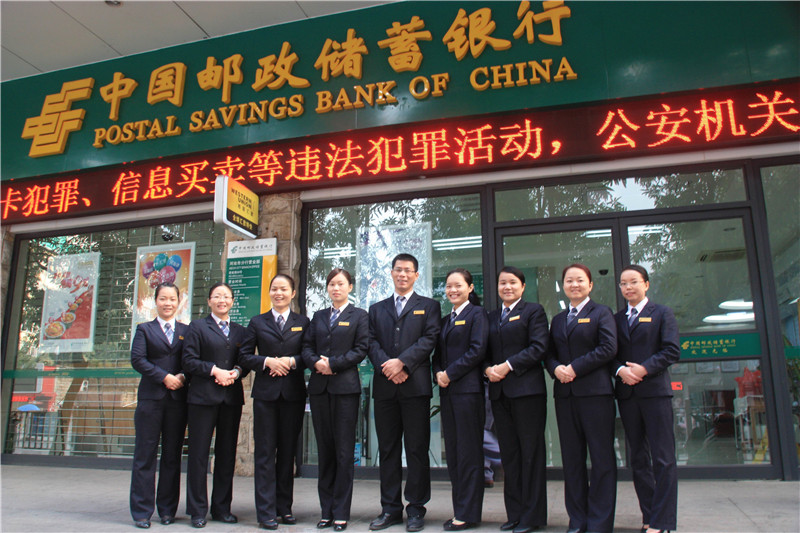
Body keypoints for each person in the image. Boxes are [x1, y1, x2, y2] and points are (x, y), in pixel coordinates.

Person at [367, 253, 441, 533]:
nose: (403, 274)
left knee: (416, 448)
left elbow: (429, 339)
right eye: (398, 270)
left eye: (408, 270)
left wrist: (403, 363)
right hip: (385, 388)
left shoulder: (429, 306)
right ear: (391, 273)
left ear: (416, 275)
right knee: (388, 450)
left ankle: (416, 509)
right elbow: (370, 342)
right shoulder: (377, 309)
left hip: (415, 387)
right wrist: (389, 367)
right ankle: (390, 509)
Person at [545, 264, 618, 533]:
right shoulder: (558, 319)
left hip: (595, 395)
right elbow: (548, 353)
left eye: (579, 280)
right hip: (565, 396)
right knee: (572, 460)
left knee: (601, 459)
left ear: (590, 285)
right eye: (569, 280)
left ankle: (599, 522)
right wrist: (555, 368)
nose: (574, 285)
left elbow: (608, 348)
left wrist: (574, 368)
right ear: (563, 285)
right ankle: (577, 520)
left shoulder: (601, 313)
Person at [239, 274, 310, 530]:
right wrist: (267, 362)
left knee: (287, 453)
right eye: (274, 289)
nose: (278, 293)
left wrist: (290, 362)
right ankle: (266, 511)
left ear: (293, 293)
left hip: (292, 395)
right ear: (269, 293)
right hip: (265, 397)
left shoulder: (303, 322)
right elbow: (244, 356)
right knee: (265, 453)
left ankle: (284, 508)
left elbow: (308, 355)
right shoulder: (257, 322)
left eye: (284, 289)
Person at [302, 268, 369, 532]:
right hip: (320, 389)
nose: (336, 288)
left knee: (343, 452)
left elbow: (361, 349)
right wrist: (317, 363)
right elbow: (306, 347)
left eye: (341, 284)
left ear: (350, 287)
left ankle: (341, 512)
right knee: (325, 451)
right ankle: (326, 511)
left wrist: (334, 364)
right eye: (331, 284)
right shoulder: (318, 316)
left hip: (345, 390)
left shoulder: (359, 316)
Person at [484, 266, 550, 533]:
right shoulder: (491, 317)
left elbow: (539, 347)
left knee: (530, 455)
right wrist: (487, 369)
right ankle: (515, 514)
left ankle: (532, 517)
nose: (507, 287)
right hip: (499, 393)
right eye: (502, 283)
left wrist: (507, 366)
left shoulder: (534, 312)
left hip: (527, 393)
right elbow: (483, 351)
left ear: (522, 286)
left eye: (512, 282)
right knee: (509, 456)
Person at [614, 265, 679, 533]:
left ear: (646, 284)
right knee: (638, 458)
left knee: (663, 457)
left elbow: (671, 350)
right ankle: (649, 514)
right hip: (628, 395)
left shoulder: (662, 313)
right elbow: (609, 352)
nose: (628, 287)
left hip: (655, 393)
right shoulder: (617, 319)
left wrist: (644, 369)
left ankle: (663, 521)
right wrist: (621, 370)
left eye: (634, 282)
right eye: (623, 283)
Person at [181, 282, 248, 529]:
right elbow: (188, 360)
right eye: (217, 296)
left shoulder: (240, 331)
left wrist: (236, 372)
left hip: (231, 398)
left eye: (226, 296)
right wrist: (214, 371)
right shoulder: (197, 327)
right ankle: (197, 510)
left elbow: (245, 361)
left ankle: (222, 508)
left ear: (232, 301)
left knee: (226, 455)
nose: (222, 300)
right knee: (198, 455)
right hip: (202, 398)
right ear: (209, 301)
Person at [129, 282, 189, 529]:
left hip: (177, 402)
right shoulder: (144, 329)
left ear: (178, 302)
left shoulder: (186, 331)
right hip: (151, 401)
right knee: (145, 455)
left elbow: (192, 359)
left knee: (172, 456)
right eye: (163, 298)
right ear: (156, 301)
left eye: (172, 299)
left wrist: (182, 376)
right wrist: (164, 377)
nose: (168, 303)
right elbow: (138, 359)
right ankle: (141, 512)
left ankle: (167, 510)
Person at [433, 268, 489, 531]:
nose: (452, 290)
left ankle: (468, 513)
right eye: (448, 286)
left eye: (458, 285)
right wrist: (438, 374)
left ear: (470, 287)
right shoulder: (446, 320)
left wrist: (450, 373)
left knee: (469, 453)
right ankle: (460, 509)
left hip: (468, 392)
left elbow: (477, 351)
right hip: (448, 392)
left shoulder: (477, 315)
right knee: (455, 454)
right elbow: (437, 355)